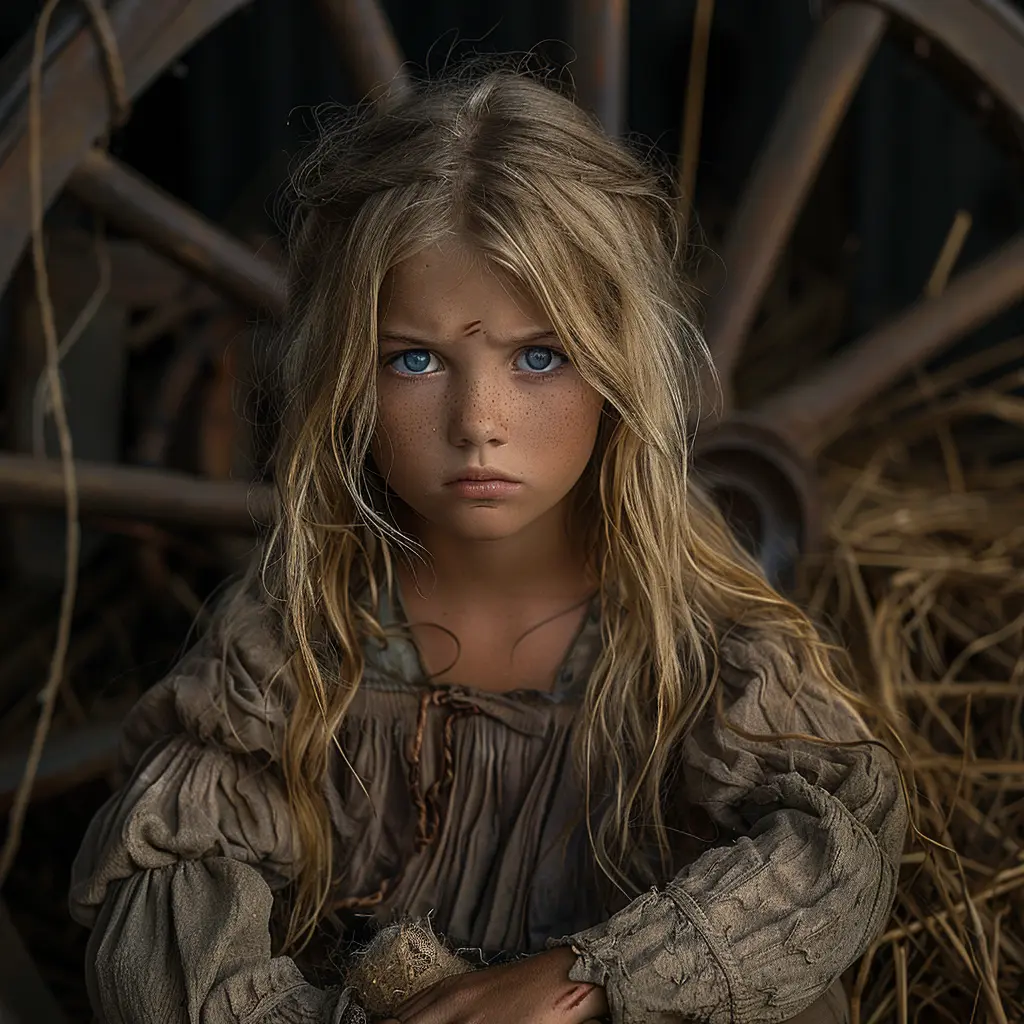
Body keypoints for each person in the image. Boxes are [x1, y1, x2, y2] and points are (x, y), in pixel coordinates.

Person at [69, 68, 908, 1024]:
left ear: (618, 367)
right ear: (348, 374)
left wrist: (588, 980)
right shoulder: (300, 643)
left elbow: (834, 845)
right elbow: (164, 910)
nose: (479, 422)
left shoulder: (696, 646)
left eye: (540, 356)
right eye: (415, 359)